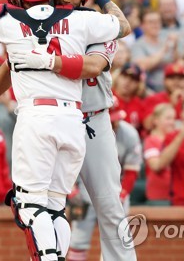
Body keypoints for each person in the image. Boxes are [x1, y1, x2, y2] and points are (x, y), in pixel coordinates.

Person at [0, 0, 131, 261]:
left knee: (108, 206)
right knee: (48, 205)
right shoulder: (45, 24)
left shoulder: (93, 22)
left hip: (92, 120)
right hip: (66, 119)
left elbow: (93, 66)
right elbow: (10, 67)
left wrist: (49, 61)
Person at [68, 99, 142, 261]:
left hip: (117, 189)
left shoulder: (128, 133)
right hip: (85, 189)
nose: (114, 123)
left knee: (118, 238)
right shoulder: (85, 129)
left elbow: (132, 171)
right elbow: (69, 162)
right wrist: (72, 190)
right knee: (78, 241)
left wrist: (122, 195)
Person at [143, 103, 176, 202]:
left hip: (178, 192)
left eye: (174, 118)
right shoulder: (151, 140)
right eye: (168, 119)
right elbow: (156, 166)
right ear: (156, 120)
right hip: (159, 195)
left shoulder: (176, 138)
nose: (172, 122)